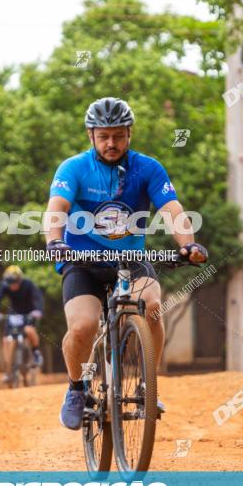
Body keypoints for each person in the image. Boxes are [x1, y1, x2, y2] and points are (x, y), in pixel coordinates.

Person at [43, 97, 208, 430]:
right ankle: (77, 389)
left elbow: (173, 210)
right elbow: (56, 208)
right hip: (82, 262)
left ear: (129, 134)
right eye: (103, 136)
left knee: (152, 305)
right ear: (91, 135)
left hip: (129, 261)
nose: (111, 143)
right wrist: (54, 241)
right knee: (83, 327)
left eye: (118, 135)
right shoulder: (74, 168)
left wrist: (187, 244)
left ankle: (148, 383)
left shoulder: (147, 168)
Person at [0, 265, 44, 379]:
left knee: (29, 330)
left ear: (20, 280)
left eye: (15, 282)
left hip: (29, 313)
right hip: (13, 314)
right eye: (10, 283)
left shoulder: (28, 284)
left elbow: (38, 298)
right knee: (6, 340)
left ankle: (36, 353)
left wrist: (37, 311)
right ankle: (8, 371)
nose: (12, 285)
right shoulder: (5, 285)